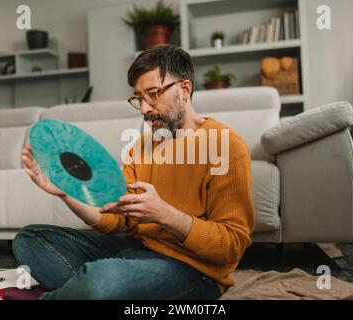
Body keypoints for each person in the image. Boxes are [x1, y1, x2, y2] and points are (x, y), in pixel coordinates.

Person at [13, 44, 255, 300]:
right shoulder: (142, 146)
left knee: (101, 280)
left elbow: (231, 247)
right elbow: (117, 219)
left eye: (153, 94)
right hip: (135, 250)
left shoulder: (226, 145)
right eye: (138, 98)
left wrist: (165, 214)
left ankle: (84, 287)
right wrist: (67, 193)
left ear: (184, 90)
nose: (144, 109)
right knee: (30, 239)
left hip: (194, 269)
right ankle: (94, 287)